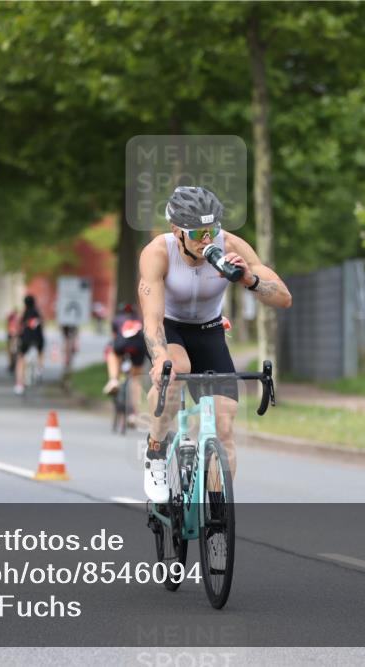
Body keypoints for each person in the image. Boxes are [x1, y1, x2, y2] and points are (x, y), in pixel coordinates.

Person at [138, 186, 291, 502]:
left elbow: (283, 298)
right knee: (177, 369)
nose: (206, 239)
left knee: (224, 425)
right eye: (197, 232)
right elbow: (152, 322)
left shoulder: (230, 245)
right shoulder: (158, 252)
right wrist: (159, 357)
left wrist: (250, 279)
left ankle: (217, 513)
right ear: (176, 230)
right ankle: (155, 450)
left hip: (209, 330)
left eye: (212, 230)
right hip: (171, 328)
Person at [103, 303, 147, 424]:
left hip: (122, 345)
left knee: (112, 353)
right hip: (139, 347)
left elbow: (114, 338)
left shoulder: (116, 319)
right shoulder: (140, 320)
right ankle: (133, 413)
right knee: (136, 379)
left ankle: (114, 380)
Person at [14, 294, 45, 395]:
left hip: (26, 339)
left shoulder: (24, 314)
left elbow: (18, 327)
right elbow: (43, 324)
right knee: (41, 352)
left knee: (20, 360)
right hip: (38, 338)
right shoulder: (38, 313)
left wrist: (17, 336)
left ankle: (19, 384)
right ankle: (40, 369)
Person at [5, 308, 20, 374]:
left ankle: (13, 364)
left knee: (13, 350)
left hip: (15, 335)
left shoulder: (17, 318)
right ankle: (11, 364)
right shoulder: (11, 318)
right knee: (11, 350)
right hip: (12, 335)